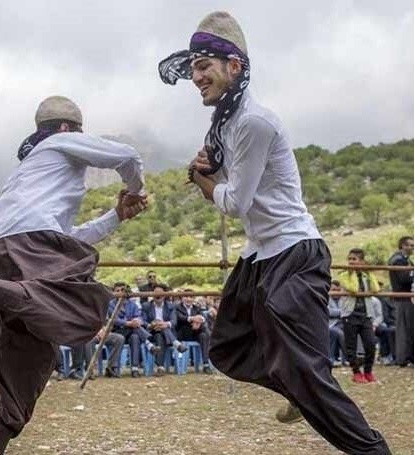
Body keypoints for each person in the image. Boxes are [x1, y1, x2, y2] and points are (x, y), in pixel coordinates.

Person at [159, 11, 390, 454]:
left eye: (204, 66)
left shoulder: (254, 122)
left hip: (294, 252)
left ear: (234, 67)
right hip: (259, 255)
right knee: (226, 346)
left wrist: (201, 179)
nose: (195, 76)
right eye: (192, 68)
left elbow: (233, 202)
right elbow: (219, 172)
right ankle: (299, 388)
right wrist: (206, 168)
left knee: (307, 371)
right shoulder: (224, 125)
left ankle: (369, 447)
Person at [0, 95, 148, 455]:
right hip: (26, 249)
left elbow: (68, 237)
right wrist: (137, 191)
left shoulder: (30, 174)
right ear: (68, 129)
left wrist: (117, 215)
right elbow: (128, 157)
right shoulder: (60, 142)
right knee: (85, 304)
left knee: (24, 382)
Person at [339, 249, 380, 383]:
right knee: (351, 345)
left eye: (354, 259)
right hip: (350, 314)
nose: (351, 261)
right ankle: (356, 372)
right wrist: (353, 274)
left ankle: (368, 371)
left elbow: (375, 289)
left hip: (366, 314)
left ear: (361, 261)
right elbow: (354, 289)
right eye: (349, 259)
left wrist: (368, 272)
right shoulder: (344, 274)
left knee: (370, 344)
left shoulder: (366, 275)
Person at [108, 282, 159, 378]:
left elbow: (139, 316)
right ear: (113, 292)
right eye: (117, 291)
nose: (120, 292)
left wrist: (137, 321)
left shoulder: (132, 304)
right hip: (118, 332)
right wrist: (128, 323)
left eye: (122, 290)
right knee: (135, 329)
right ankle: (149, 344)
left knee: (135, 337)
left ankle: (134, 369)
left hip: (132, 331)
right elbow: (114, 320)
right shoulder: (110, 304)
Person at [142, 284, 187, 376]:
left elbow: (173, 321)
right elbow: (143, 321)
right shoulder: (146, 306)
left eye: (160, 293)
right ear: (152, 294)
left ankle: (160, 367)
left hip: (165, 333)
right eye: (156, 293)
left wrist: (165, 324)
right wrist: (151, 325)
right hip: (151, 332)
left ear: (165, 295)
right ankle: (176, 344)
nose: (158, 295)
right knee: (159, 332)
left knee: (160, 334)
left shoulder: (170, 306)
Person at [388, 236, 413, 367]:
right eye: (410, 245)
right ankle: (403, 358)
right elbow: (404, 278)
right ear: (403, 246)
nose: (412, 248)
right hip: (402, 298)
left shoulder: (406, 260)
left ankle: (408, 356)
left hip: (407, 297)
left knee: (409, 327)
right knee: (403, 328)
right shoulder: (397, 260)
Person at [175, 290, 212, 374]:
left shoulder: (196, 308)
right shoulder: (177, 307)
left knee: (204, 335)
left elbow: (202, 317)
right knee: (203, 329)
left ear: (193, 298)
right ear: (182, 298)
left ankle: (206, 364)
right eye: (186, 296)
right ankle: (211, 337)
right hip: (183, 333)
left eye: (191, 297)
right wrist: (192, 319)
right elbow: (180, 318)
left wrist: (198, 321)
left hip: (196, 333)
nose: (188, 299)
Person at [328, 280, 347, 366]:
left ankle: (352, 357)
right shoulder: (326, 298)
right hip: (330, 324)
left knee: (353, 330)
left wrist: (341, 312)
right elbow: (329, 312)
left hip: (344, 323)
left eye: (338, 290)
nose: (336, 292)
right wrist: (342, 312)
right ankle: (333, 358)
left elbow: (348, 310)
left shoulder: (344, 299)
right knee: (337, 333)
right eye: (333, 290)